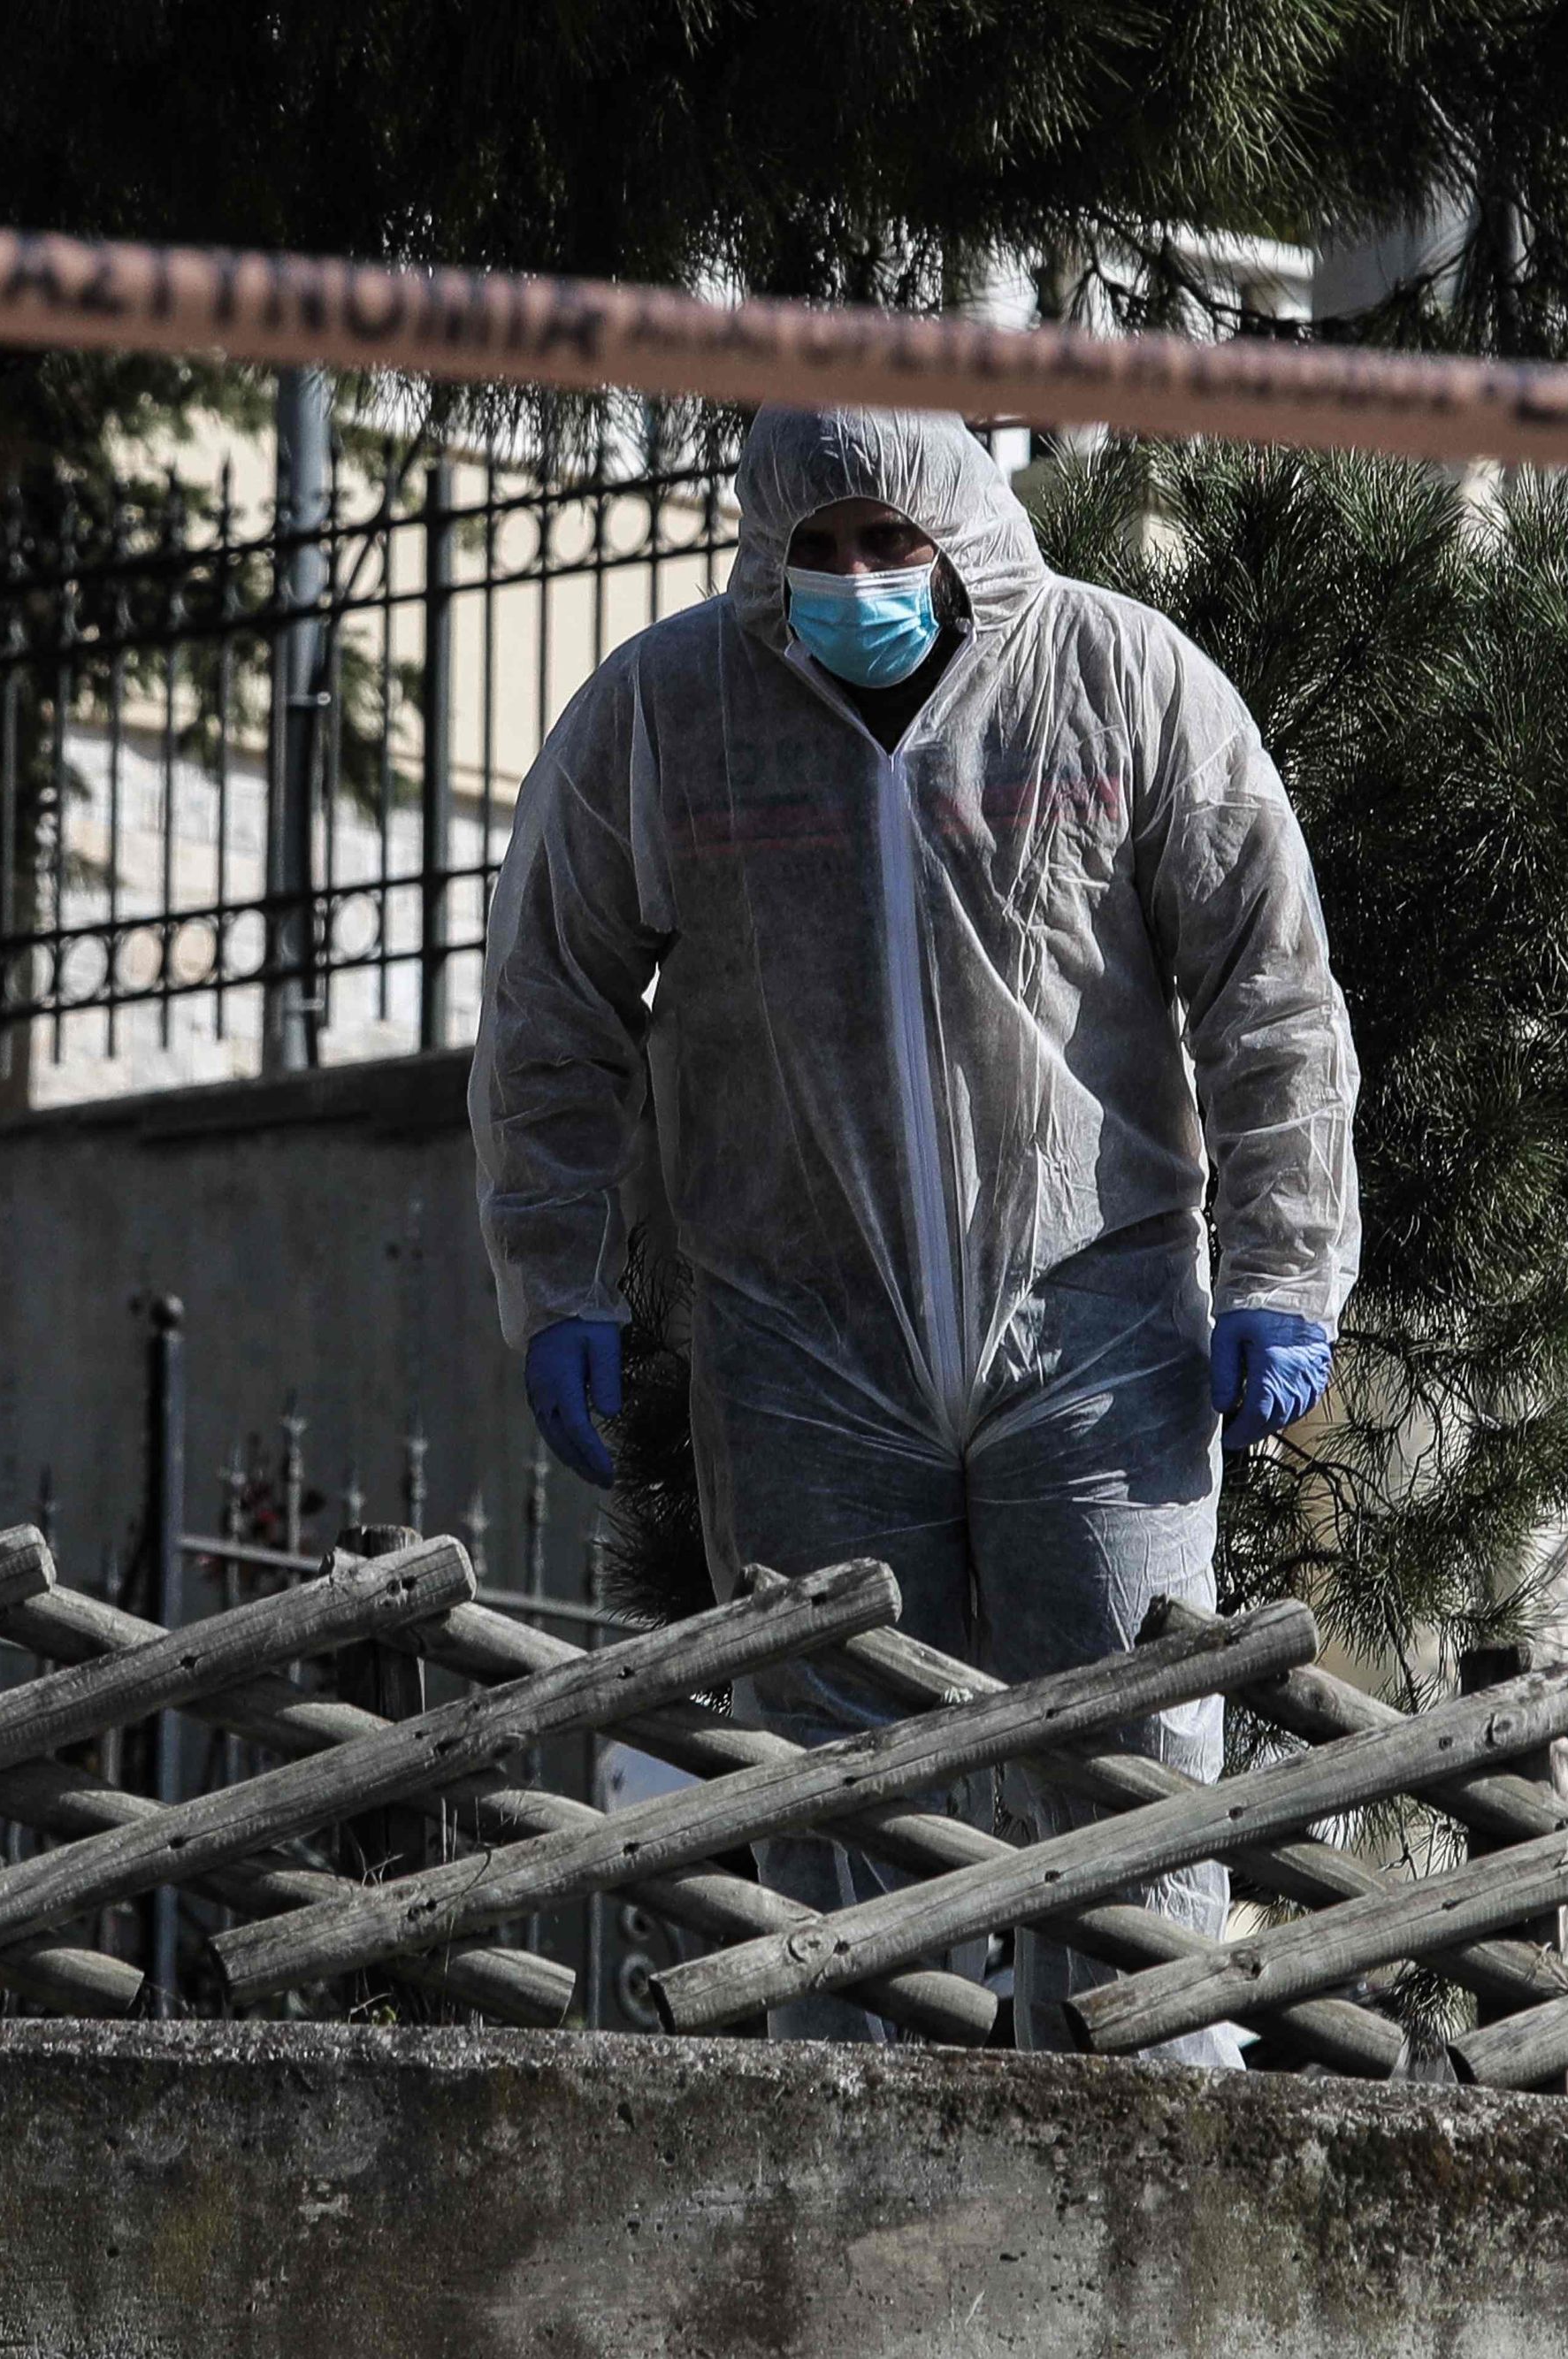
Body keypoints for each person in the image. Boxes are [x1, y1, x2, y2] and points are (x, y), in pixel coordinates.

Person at [470, 403, 1358, 2055]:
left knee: (1135, 1794)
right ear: (765, 553)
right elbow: (549, 1013)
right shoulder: (669, 718)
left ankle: (1158, 2214)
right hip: (801, 1351)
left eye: (891, 544)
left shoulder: (1126, 683)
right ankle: (878, 2238)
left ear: (965, 538)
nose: (856, 577)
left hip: (1097, 1330)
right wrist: (561, 1283)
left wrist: (1284, 1264)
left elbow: (1270, 989)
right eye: (818, 550)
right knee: (847, 1821)